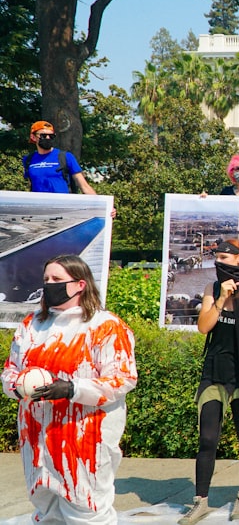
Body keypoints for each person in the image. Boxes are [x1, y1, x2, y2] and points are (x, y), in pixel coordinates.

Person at [2, 254, 137, 524]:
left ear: (80, 284)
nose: (49, 284)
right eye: (46, 279)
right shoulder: (31, 325)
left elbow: (122, 378)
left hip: (85, 436)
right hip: (37, 435)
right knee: (46, 509)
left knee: (87, 510)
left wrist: (72, 388)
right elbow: (10, 370)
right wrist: (17, 386)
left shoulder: (105, 326)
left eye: (57, 279)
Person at [180, 239, 239, 524]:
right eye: (217, 257)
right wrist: (220, 299)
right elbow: (204, 326)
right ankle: (200, 501)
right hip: (214, 372)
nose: (220, 262)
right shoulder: (212, 289)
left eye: (225, 257)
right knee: (207, 439)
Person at [23, 120, 100, 195]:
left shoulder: (65, 157)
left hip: (62, 205)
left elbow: (84, 186)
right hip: (38, 206)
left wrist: (102, 205)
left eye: (51, 136)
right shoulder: (29, 160)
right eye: (43, 135)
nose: (48, 138)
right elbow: (31, 184)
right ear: (33, 137)